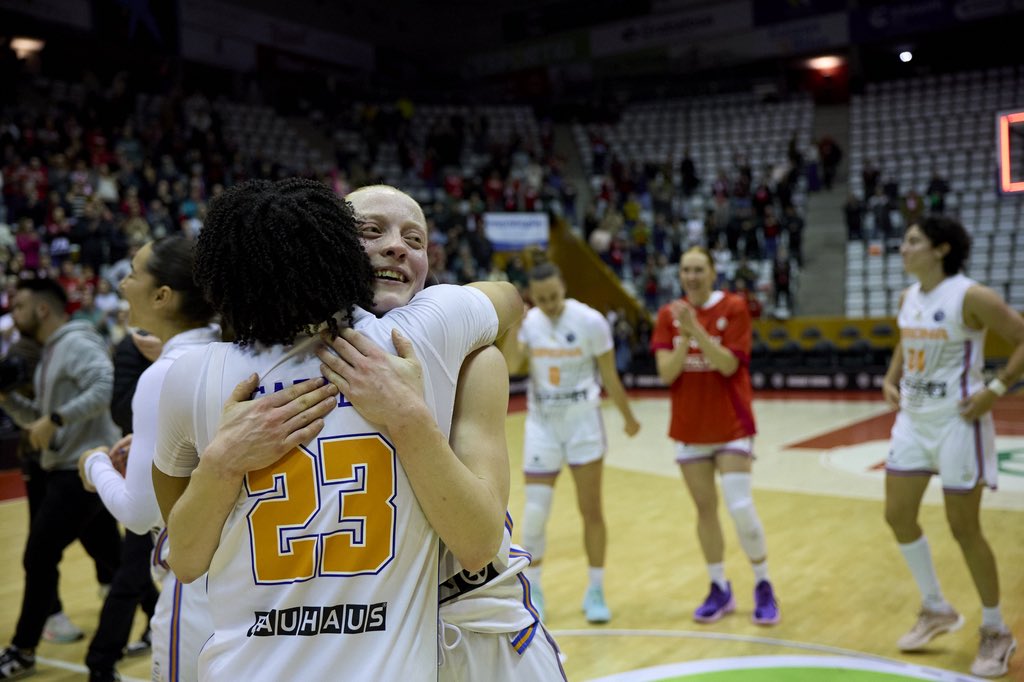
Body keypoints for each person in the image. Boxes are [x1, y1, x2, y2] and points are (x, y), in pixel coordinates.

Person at [150, 178, 522, 680]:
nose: (395, 245)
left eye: (416, 239)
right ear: (341, 252)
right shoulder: (418, 335)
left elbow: (185, 560)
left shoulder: (194, 376)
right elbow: (506, 298)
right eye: (370, 231)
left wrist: (221, 462)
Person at [882, 216, 1022, 678]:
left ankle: (996, 629)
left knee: (964, 528)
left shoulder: (971, 296)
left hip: (958, 423)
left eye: (913, 241)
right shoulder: (908, 298)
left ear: (941, 249)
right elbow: (907, 340)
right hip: (913, 422)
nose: (904, 249)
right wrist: (890, 377)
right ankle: (937, 608)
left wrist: (997, 389)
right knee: (898, 516)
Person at [79, 236, 220, 682]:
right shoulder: (232, 352)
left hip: (195, 583)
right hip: (254, 575)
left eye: (134, 273)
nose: (123, 284)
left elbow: (139, 515)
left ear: (163, 296)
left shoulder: (163, 375)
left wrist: (94, 464)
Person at [500, 262, 641, 624]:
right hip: (543, 425)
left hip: (583, 425)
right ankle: (535, 590)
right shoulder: (530, 323)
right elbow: (514, 366)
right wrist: (515, 324)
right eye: (541, 298)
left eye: (554, 295)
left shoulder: (591, 321)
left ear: (563, 285)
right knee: (534, 514)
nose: (548, 303)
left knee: (591, 510)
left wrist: (628, 416)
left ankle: (596, 589)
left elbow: (609, 374)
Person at [650, 246, 779, 627]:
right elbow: (666, 374)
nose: (692, 276)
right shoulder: (667, 315)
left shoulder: (735, 307)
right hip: (689, 427)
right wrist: (684, 338)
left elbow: (727, 364)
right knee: (705, 511)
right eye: (686, 269)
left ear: (712, 272)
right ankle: (719, 586)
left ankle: (763, 583)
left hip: (732, 424)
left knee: (739, 506)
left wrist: (696, 332)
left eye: (698, 269)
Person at [0, 278, 123, 679]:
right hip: (74, 468)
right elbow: (39, 419)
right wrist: (8, 399)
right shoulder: (52, 351)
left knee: (38, 557)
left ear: (41, 309)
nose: (12, 314)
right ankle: (159, 613)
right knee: (117, 559)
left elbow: (105, 383)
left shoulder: (75, 342)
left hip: (78, 469)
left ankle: (23, 649)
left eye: (17, 306)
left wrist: (55, 420)